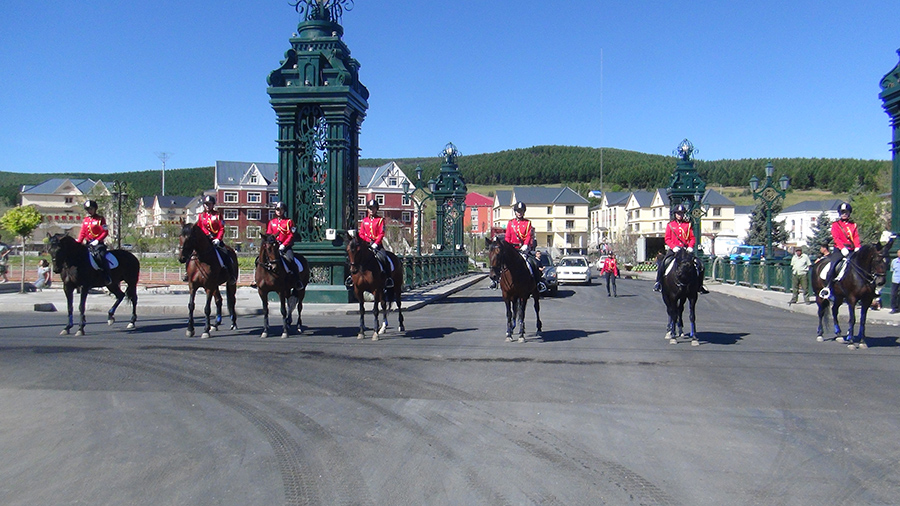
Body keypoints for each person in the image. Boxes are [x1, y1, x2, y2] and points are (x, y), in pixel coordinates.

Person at [654, 204, 709, 294]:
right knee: (663, 263)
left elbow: (692, 238)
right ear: (675, 214)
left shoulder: (687, 225)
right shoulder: (670, 225)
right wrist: (673, 247)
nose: (680, 215)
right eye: (678, 213)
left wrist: (690, 246)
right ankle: (658, 283)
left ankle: (700, 285)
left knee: (700, 265)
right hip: (674, 250)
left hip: (685, 250)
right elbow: (667, 239)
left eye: (682, 213)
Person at [819, 202, 860, 300]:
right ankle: (828, 287)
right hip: (839, 249)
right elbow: (836, 238)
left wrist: (858, 246)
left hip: (852, 249)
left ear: (849, 213)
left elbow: (856, 237)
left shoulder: (853, 225)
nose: (844, 214)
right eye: (842, 212)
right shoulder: (836, 225)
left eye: (846, 212)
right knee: (833, 265)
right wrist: (842, 248)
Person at [504, 201, 547, 292]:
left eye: (521, 211)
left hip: (523, 249)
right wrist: (506, 248)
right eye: (518, 211)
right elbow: (507, 237)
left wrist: (526, 245)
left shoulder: (528, 223)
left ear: (524, 212)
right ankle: (497, 281)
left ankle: (537, 282)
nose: (519, 213)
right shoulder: (510, 223)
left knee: (532, 263)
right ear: (515, 212)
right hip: (512, 249)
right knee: (502, 264)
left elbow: (528, 236)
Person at [196, 195, 236, 283]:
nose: (207, 206)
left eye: (209, 204)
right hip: (204, 240)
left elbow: (221, 228)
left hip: (216, 240)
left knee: (226, 253)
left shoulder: (218, 215)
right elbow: (199, 228)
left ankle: (231, 274)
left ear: (213, 205)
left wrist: (218, 239)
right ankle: (188, 273)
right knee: (191, 253)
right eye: (206, 204)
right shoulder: (201, 216)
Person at [265, 201, 303, 290]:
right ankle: (259, 280)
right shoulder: (271, 222)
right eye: (277, 209)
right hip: (274, 247)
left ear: (284, 211)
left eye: (281, 209)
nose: (279, 211)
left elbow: (291, 235)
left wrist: (284, 245)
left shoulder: (289, 221)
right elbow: (269, 234)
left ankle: (297, 281)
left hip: (285, 247)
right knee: (261, 259)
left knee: (291, 260)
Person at [358, 199, 393, 289]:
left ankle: (388, 278)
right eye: (370, 208)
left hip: (377, 245)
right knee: (356, 258)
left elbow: (381, 233)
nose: (371, 210)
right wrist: (367, 241)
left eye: (373, 208)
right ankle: (353, 277)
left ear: (376, 209)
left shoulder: (380, 220)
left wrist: (376, 243)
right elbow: (361, 233)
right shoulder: (364, 220)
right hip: (366, 245)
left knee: (384, 258)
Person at [77, 200, 111, 284]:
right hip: (88, 244)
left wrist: (97, 240)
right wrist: (78, 242)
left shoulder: (100, 219)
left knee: (101, 256)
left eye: (91, 209)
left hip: (98, 244)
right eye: (87, 209)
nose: (89, 211)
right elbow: (82, 233)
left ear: (95, 209)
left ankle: (106, 275)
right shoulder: (85, 220)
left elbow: (105, 232)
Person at [891, 249, 900, 314]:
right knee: (894, 294)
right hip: (895, 280)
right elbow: (892, 270)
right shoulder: (894, 261)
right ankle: (894, 308)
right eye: (898, 253)